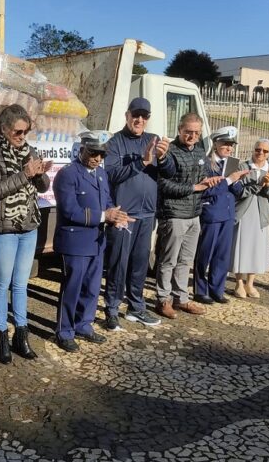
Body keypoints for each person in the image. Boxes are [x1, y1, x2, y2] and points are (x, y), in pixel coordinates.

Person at [0, 104, 51, 364]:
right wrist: (25, 174)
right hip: (4, 228)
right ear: (4, 129)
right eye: (18, 132)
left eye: (26, 132)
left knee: (21, 284)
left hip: (28, 226)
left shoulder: (30, 152)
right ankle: (1, 336)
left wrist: (40, 174)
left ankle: (22, 335)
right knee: (2, 283)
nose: (22, 136)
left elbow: (42, 187)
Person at [52, 131, 130, 352]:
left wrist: (117, 216)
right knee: (72, 288)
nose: (97, 158)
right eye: (93, 153)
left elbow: (107, 201)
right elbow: (70, 210)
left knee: (92, 288)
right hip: (75, 242)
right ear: (82, 149)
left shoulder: (101, 174)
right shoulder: (68, 174)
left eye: (102, 154)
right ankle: (65, 331)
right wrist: (106, 216)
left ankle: (84, 324)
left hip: (96, 241)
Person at [102, 97, 173, 331]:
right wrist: (141, 162)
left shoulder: (153, 139)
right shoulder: (115, 142)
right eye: (136, 115)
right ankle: (112, 309)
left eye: (144, 116)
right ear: (127, 115)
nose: (139, 119)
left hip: (147, 214)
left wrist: (163, 158)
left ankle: (136, 307)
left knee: (140, 265)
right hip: (124, 215)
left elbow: (169, 172)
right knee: (118, 264)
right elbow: (112, 174)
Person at [154, 113, 222, 319]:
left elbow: (202, 178)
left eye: (196, 133)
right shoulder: (170, 152)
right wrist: (194, 187)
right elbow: (164, 185)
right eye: (188, 132)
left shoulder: (200, 151)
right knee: (168, 260)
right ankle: (163, 299)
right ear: (179, 130)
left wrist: (208, 182)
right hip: (174, 213)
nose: (192, 136)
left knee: (185, 260)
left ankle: (181, 298)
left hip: (194, 214)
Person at [193, 126, 249, 305]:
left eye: (231, 145)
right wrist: (230, 180)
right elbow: (205, 190)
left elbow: (237, 192)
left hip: (227, 214)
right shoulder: (205, 163)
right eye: (225, 143)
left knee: (222, 256)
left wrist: (238, 181)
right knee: (205, 254)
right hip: (211, 213)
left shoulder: (231, 165)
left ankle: (217, 289)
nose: (229, 148)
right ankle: (200, 290)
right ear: (216, 143)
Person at [230, 138, 269, 298]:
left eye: (265, 151)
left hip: (261, 213)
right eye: (258, 149)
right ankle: (239, 282)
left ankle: (250, 283)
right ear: (253, 150)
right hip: (243, 212)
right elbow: (235, 188)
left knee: (255, 248)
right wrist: (259, 182)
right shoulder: (243, 166)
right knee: (241, 246)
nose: (261, 153)